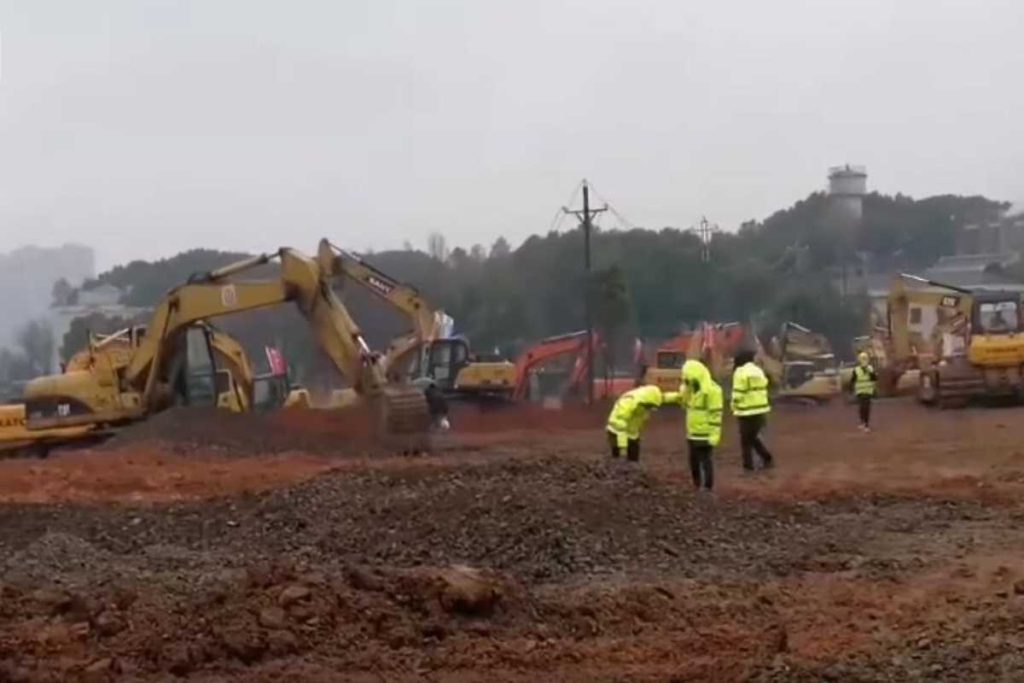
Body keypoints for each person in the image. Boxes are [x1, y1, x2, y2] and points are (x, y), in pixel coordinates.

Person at [606, 385, 680, 462]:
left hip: (632, 433)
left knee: (633, 458)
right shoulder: (628, 403)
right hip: (616, 432)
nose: (650, 409)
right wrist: (623, 448)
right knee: (620, 459)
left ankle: (632, 469)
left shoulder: (649, 400)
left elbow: (664, 398)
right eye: (649, 406)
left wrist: (681, 396)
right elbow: (620, 426)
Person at [681, 358, 723, 491]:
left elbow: (716, 414)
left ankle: (708, 486)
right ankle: (696, 483)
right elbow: (683, 402)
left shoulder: (713, 391)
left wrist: (714, 434)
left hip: (705, 434)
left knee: (706, 461)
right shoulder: (690, 389)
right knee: (693, 461)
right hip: (692, 433)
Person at [731, 349, 775, 472]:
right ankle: (767, 458)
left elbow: (738, 392)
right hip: (761, 409)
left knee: (745, 440)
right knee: (753, 437)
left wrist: (734, 406)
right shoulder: (758, 370)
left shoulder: (740, 372)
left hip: (745, 411)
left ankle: (748, 466)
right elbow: (766, 384)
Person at [849, 352, 878, 431]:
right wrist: (851, 389)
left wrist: (869, 372)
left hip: (868, 392)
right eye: (863, 359)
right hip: (860, 392)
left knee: (866, 408)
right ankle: (863, 423)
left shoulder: (870, 368)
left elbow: (874, 379)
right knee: (862, 408)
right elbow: (853, 380)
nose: (864, 360)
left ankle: (866, 424)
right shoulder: (857, 370)